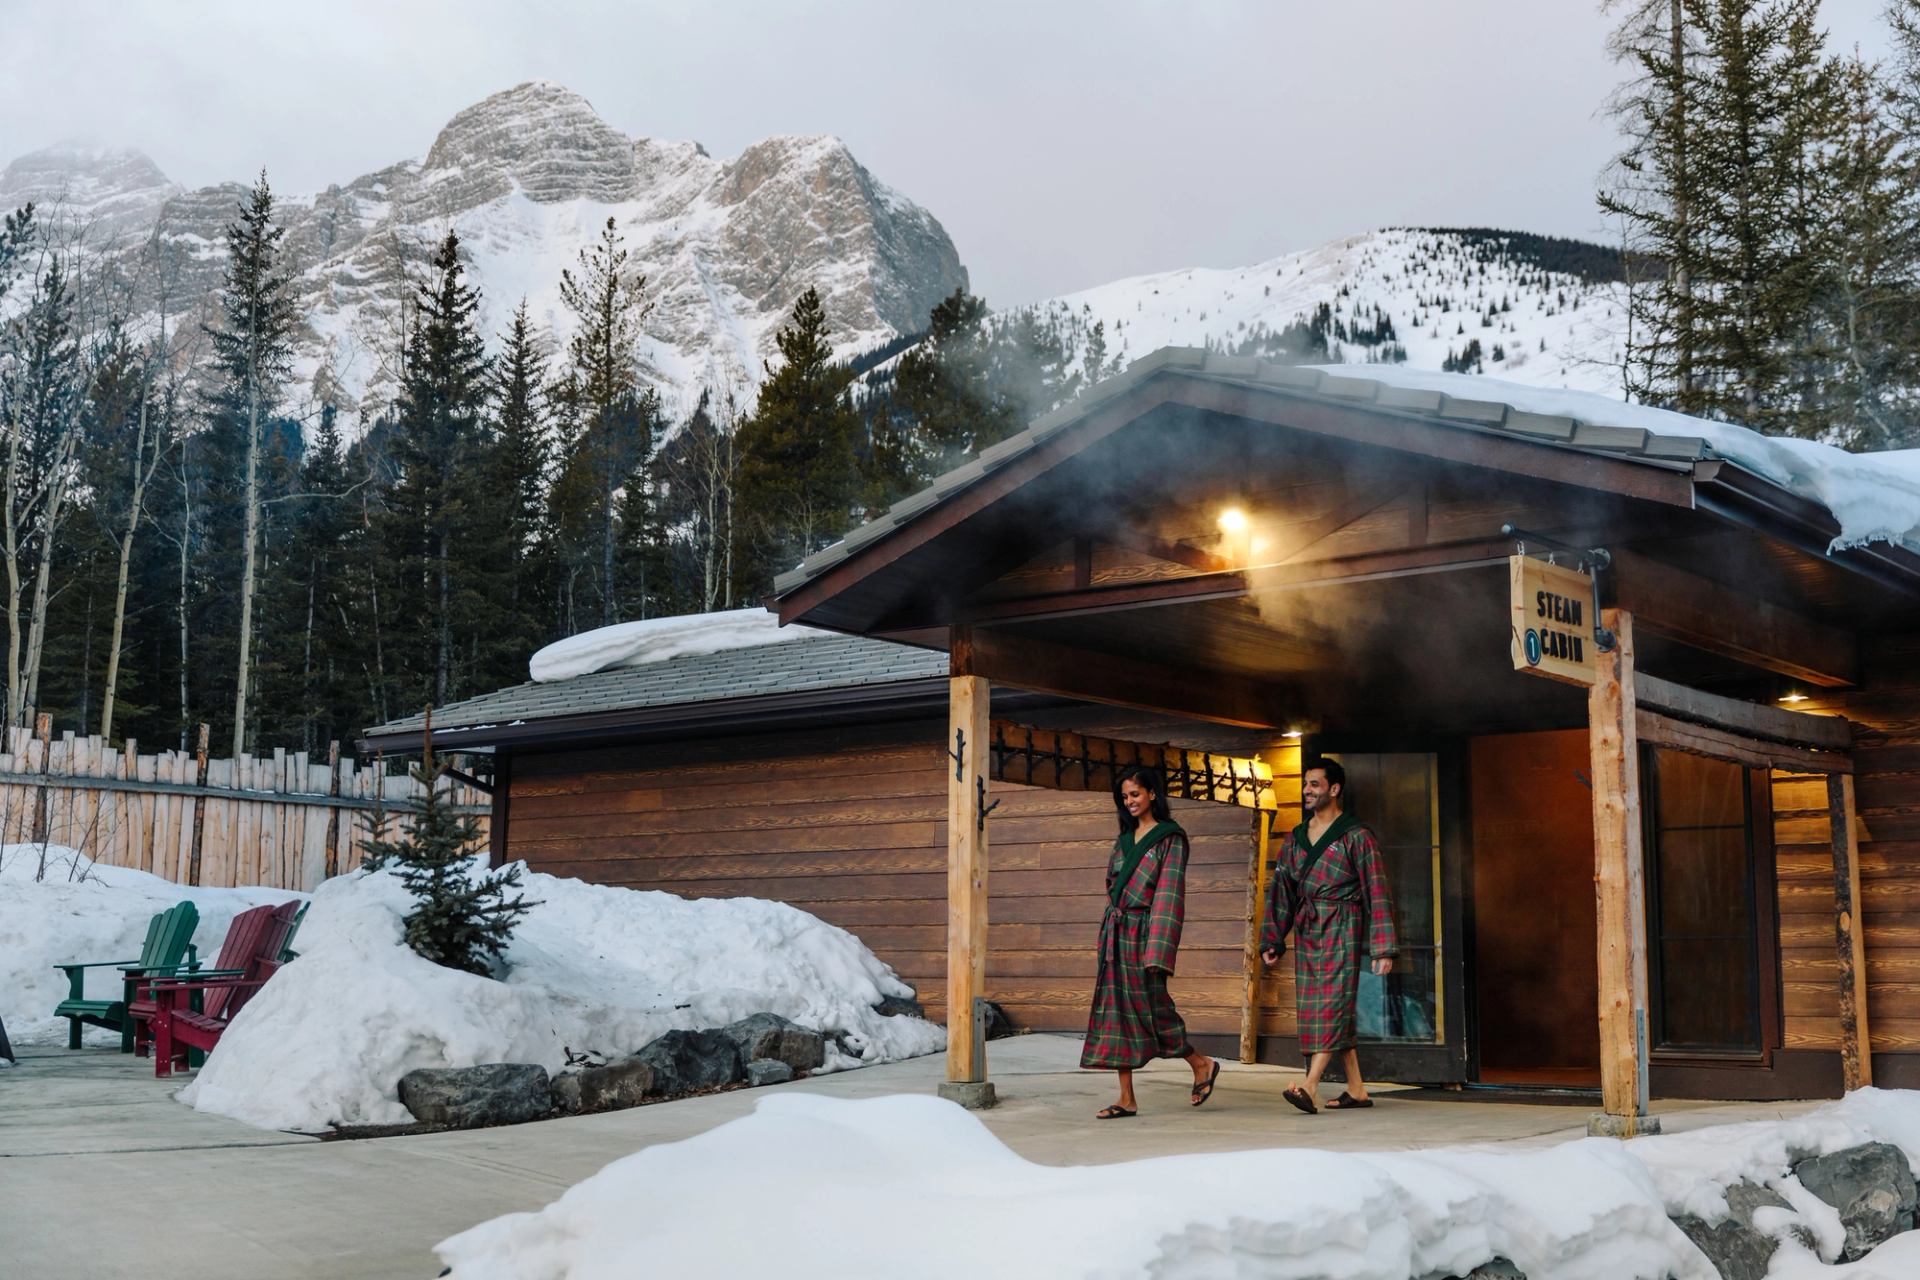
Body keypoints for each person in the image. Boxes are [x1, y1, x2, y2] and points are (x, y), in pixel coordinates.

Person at [1260, 758, 1397, 1114]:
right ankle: (1357, 1090)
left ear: (1334, 789)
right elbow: (1282, 890)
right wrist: (1273, 938)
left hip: (1342, 924)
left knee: (1334, 1002)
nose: (1307, 790)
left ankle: (1310, 1084)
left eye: (1315, 784)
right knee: (1319, 1007)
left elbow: (1377, 892)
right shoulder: (1296, 838)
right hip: (1308, 928)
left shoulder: (1356, 836)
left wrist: (1383, 948)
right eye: (1305, 784)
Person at [1082, 764, 1219, 1118]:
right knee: (1116, 1014)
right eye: (1125, 796)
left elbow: (1169, 897)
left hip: (1145, 935)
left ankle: (1200, 1063)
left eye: (1136, 794)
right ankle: (1126, 1097)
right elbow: (1112, 885)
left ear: (1153, 794)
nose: (1129, 801)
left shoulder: (1170, 839)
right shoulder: (1124, 840)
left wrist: (1157, 951)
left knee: (1154, 1011)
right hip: (1116, 934)